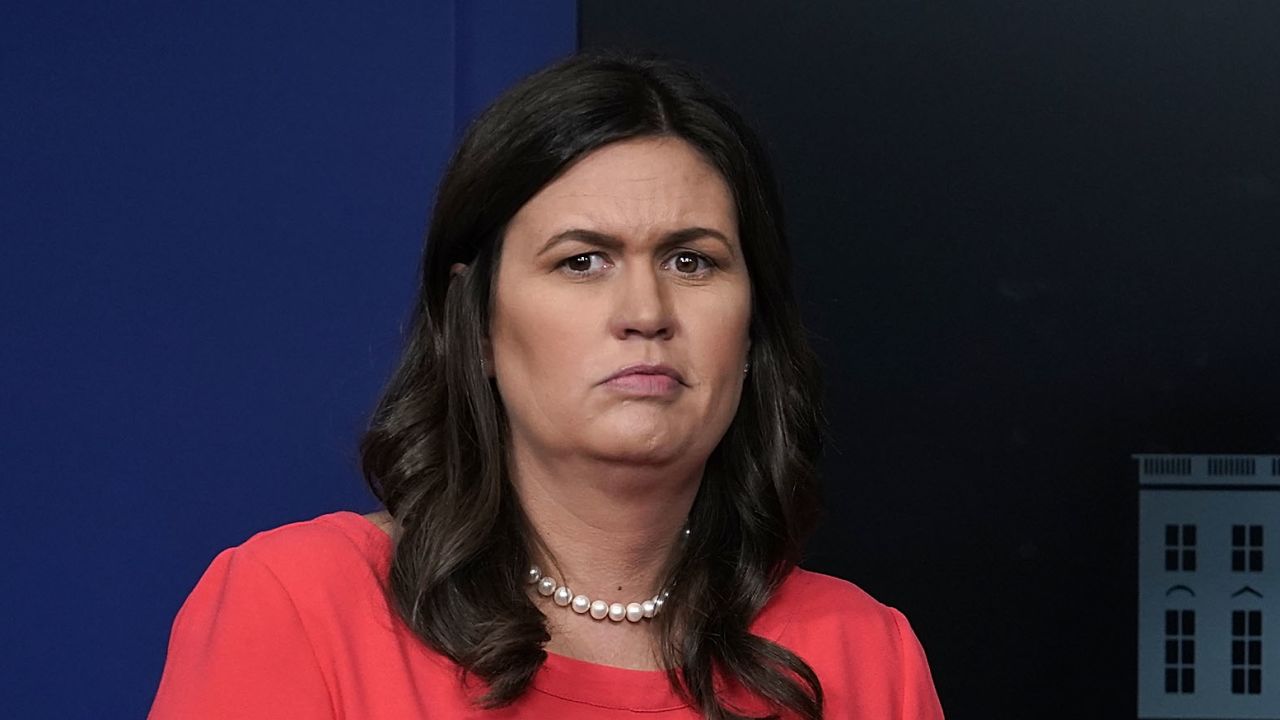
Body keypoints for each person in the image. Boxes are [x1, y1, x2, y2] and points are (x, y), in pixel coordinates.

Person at [147, 51, 944, 719]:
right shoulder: (298, 608)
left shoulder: (865, 656)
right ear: (479, 324)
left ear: (753, 326)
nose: (646, 312)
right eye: (582, 261)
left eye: (691, 260)